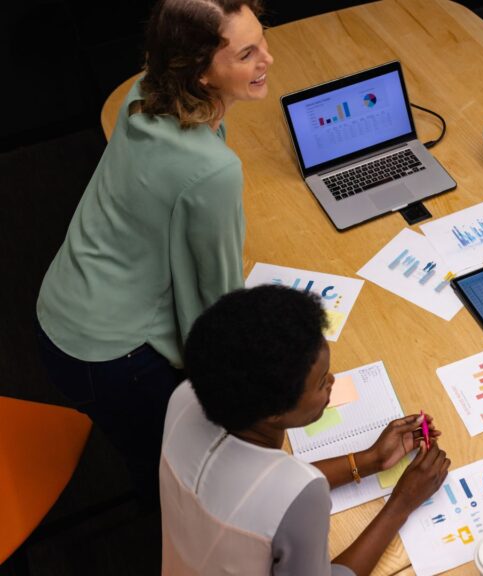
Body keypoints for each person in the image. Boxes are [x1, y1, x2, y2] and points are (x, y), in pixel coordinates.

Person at [35, 0, 273, 500]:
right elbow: (218, 310)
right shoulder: (213, 171)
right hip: (110, 356)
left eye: (262, 41)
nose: (267, 60)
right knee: (179, 480)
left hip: (59, 311)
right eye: (247, 53)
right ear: (202, 73)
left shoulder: (143, 94)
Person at [163, 285, 450, 575]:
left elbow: (258, 492)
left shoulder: (185, 397)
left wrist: (372, 459)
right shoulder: (299, 493)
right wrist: (402, 503)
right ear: (275, 412)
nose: (332, 381)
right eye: (322, 381)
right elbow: (282, 497)